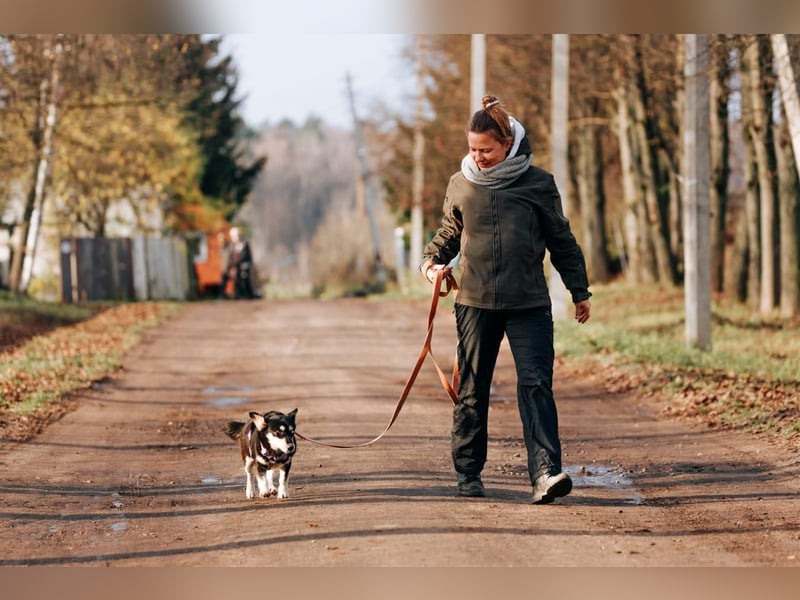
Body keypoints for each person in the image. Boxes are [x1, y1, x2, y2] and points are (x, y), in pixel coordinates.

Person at [420, 94, 592, 504]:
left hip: (529, 304)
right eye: (472, 149)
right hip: (475, 304)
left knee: (536, 386)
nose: (477, 157)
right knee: (473, 389)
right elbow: (448, 235)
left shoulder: (537, 183)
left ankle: (546, 474)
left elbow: (562, 242)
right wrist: (431, 265)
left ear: (508, 143)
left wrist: (579, 290)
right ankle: (468, 474)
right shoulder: (461, 184)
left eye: (486, 150)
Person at [228, 226, 256, 299]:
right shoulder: (232, 246)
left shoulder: (244, 244)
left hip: (244, 265)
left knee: (245, 280)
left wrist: (247, 264)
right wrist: (232, 266)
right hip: (236, 266)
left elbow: (247, 255)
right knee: (236, 281)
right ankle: (238, 295)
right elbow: (231, 257)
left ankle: (248, 295)